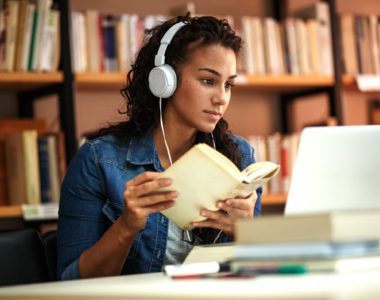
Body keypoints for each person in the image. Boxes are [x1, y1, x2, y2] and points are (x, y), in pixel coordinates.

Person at [57, 14, 262, 280]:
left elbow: (255, 276)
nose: (221, 98)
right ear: (165, 80)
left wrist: (246, 232)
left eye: (228, 84)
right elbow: (71, 282)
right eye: (208, 81)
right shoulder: (98, 161)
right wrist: (127, 226)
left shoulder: (240, 157)